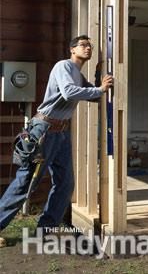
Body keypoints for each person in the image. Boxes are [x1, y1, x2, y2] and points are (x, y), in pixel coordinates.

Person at [0, 35, 113, 247]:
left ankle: (45, 231)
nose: (88, 48)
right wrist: (99, 89)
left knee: (65, 183)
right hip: (43, 131)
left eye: (90, 46)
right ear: (72, 49)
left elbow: (93, 96)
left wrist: (101, 82)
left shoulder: (77, 75)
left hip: (60, 133)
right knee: (26, 182)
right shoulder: (64, 66)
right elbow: (70, 93)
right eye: (83, 45)